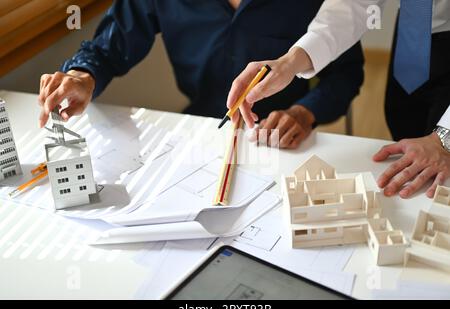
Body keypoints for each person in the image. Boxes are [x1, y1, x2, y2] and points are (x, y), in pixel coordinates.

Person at [38, 0, 364, 150]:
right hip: (202, 133)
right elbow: (108, 48)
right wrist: (82, 76)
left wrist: (304, 113)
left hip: (287, 143)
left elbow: (347, 74)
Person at [228, 0, 450, 198]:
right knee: (407, 130)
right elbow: (353, 5)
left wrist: (445, 139)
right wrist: (290, 62)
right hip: (414, 29)